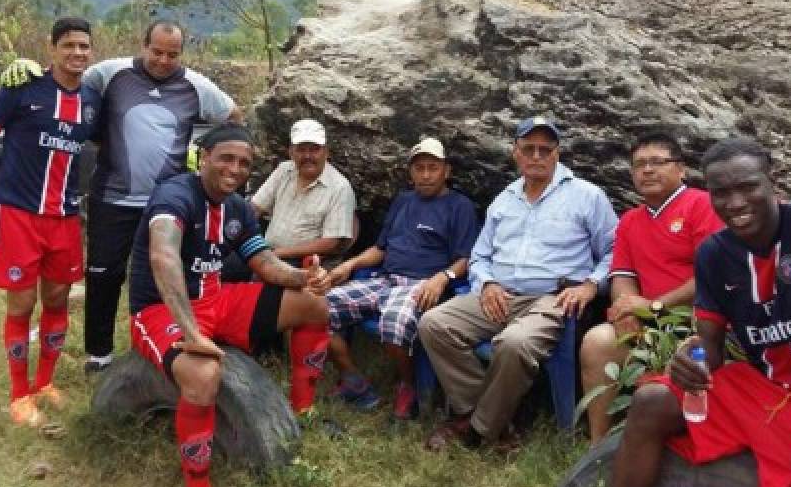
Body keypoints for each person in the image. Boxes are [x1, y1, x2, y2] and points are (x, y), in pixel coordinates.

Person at [611, 138, 791, 487]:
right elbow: (710, 351)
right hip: (760, 391)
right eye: (720, 192)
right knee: (650, 401)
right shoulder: (714, 253)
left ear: (773, 182)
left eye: (748, 187)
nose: (735, 203)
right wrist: (689, 363)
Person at [2, 20, 243, 374]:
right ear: (143, 45)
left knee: (167, 275)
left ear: (181, 54)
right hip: (112, 197)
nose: (163, 60)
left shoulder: (194, 85)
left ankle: (166, 339)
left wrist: (208, 155)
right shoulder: (110, 73)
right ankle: (99, 355)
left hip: (166, 203)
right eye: (156, 51)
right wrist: (29, 70)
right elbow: (67, 79)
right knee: (103, 276)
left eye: (172, 54)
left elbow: (233, 114)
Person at [128, 123, 330, 487]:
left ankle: (303, 410)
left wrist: (307, 278)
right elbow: (163, 256)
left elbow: (265, 264)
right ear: (204, 158)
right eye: (226, 159)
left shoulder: (238, 207)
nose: (235, 169)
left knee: (314, 306)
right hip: (162, 310)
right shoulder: (175, 195)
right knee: (203, 374)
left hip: (218, 299)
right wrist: (191, 333)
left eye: (244, 163)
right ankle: (198, 486)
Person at [419, 116, 618, 451]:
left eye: (545, 149)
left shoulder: (587, 196)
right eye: (529, 148)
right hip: (499, 294)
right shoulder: (505, 199)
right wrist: (487, 284)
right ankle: (488, 418)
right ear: (516, 154)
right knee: (433, 324)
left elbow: (616, 250)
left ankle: (478, 430)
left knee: (514, 343)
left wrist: (590, 285)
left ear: (557, 154)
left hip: (551, 299)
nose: (537, 156)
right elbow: (479, 256)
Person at [0, 17, 101, 427]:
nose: (77, 53)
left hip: (64, 217)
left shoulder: (93, 101)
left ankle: (44, 383)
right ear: (53, 48)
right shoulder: (22, 87)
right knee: (22, 302)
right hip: (18, 214)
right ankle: (18, 394)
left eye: (84, 46)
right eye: (69, 45)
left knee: (58, 298)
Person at [310, 137, 479, 420]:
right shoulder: (403, 201)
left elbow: (467, 257)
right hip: (384, 278)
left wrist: (442, 278)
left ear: (446, 171)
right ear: (411, 172)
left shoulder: (459, 206)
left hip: (422, 284)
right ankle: (353, 379)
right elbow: (381, 248)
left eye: (432, 168)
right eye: (419, 168)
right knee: (312, 307)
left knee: (393, 322)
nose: (425, 174)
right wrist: (349, 266)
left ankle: (409, 385)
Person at [579, 132, 724, 444]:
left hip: (699, 322)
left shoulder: (701, 205)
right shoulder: (631, 220)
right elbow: (622, 276)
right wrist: (623, 309)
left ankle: (686, 443)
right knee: (597, 341)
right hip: (649, 320)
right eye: (639, 165)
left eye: (657, 162)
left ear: (681, 169)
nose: (647, 170)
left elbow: (710, 276)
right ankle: (599, 445)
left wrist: (653, 306)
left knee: (693, 353)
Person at [251, 118, 356, 265]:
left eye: (314, 149)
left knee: (262, 285)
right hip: (266, 251)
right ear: (291, 152)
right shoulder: (284, 170)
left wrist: (277, 254)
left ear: (326, 152)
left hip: (303, 260)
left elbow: (331, 242)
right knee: (223, 266)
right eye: (301, 149)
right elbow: (255, 209)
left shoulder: (340, 187)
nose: (307, 156)